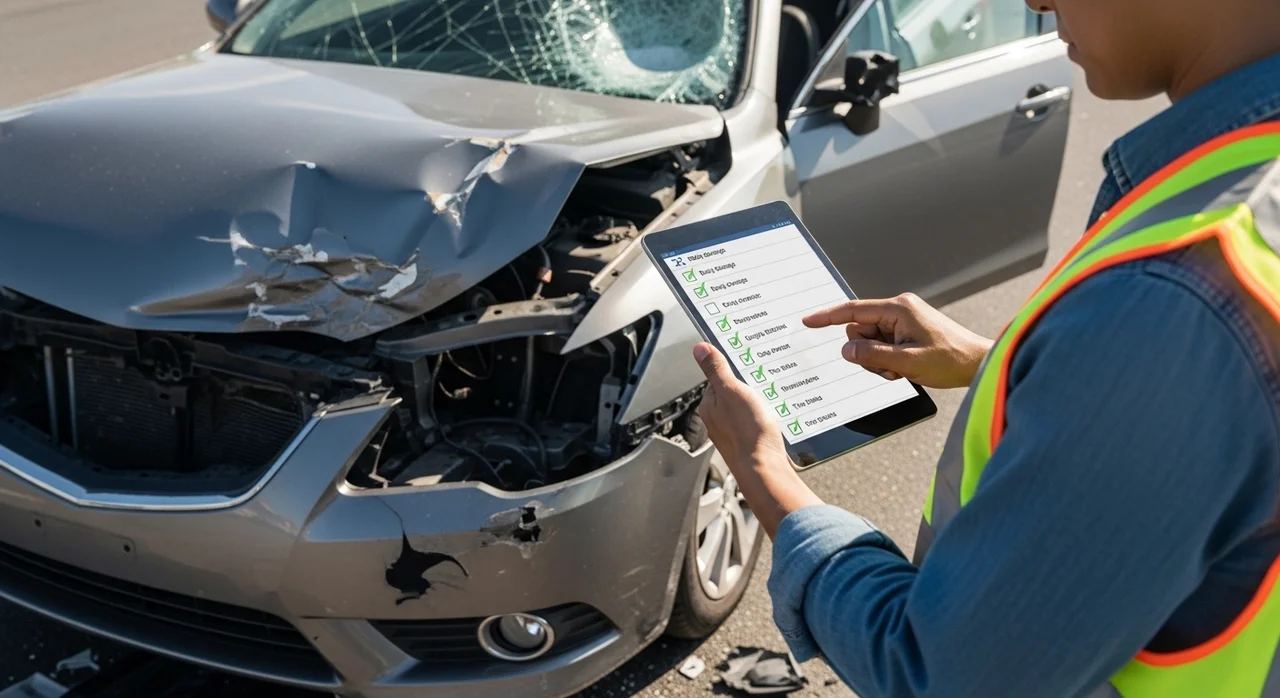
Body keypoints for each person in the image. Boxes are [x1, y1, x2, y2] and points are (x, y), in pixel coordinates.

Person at [690, 0, 1280, 696]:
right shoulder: (1242, 209)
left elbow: (941, 677)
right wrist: (1000, 359)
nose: (1033, 2)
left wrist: (768, 478)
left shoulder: (1177, 297)